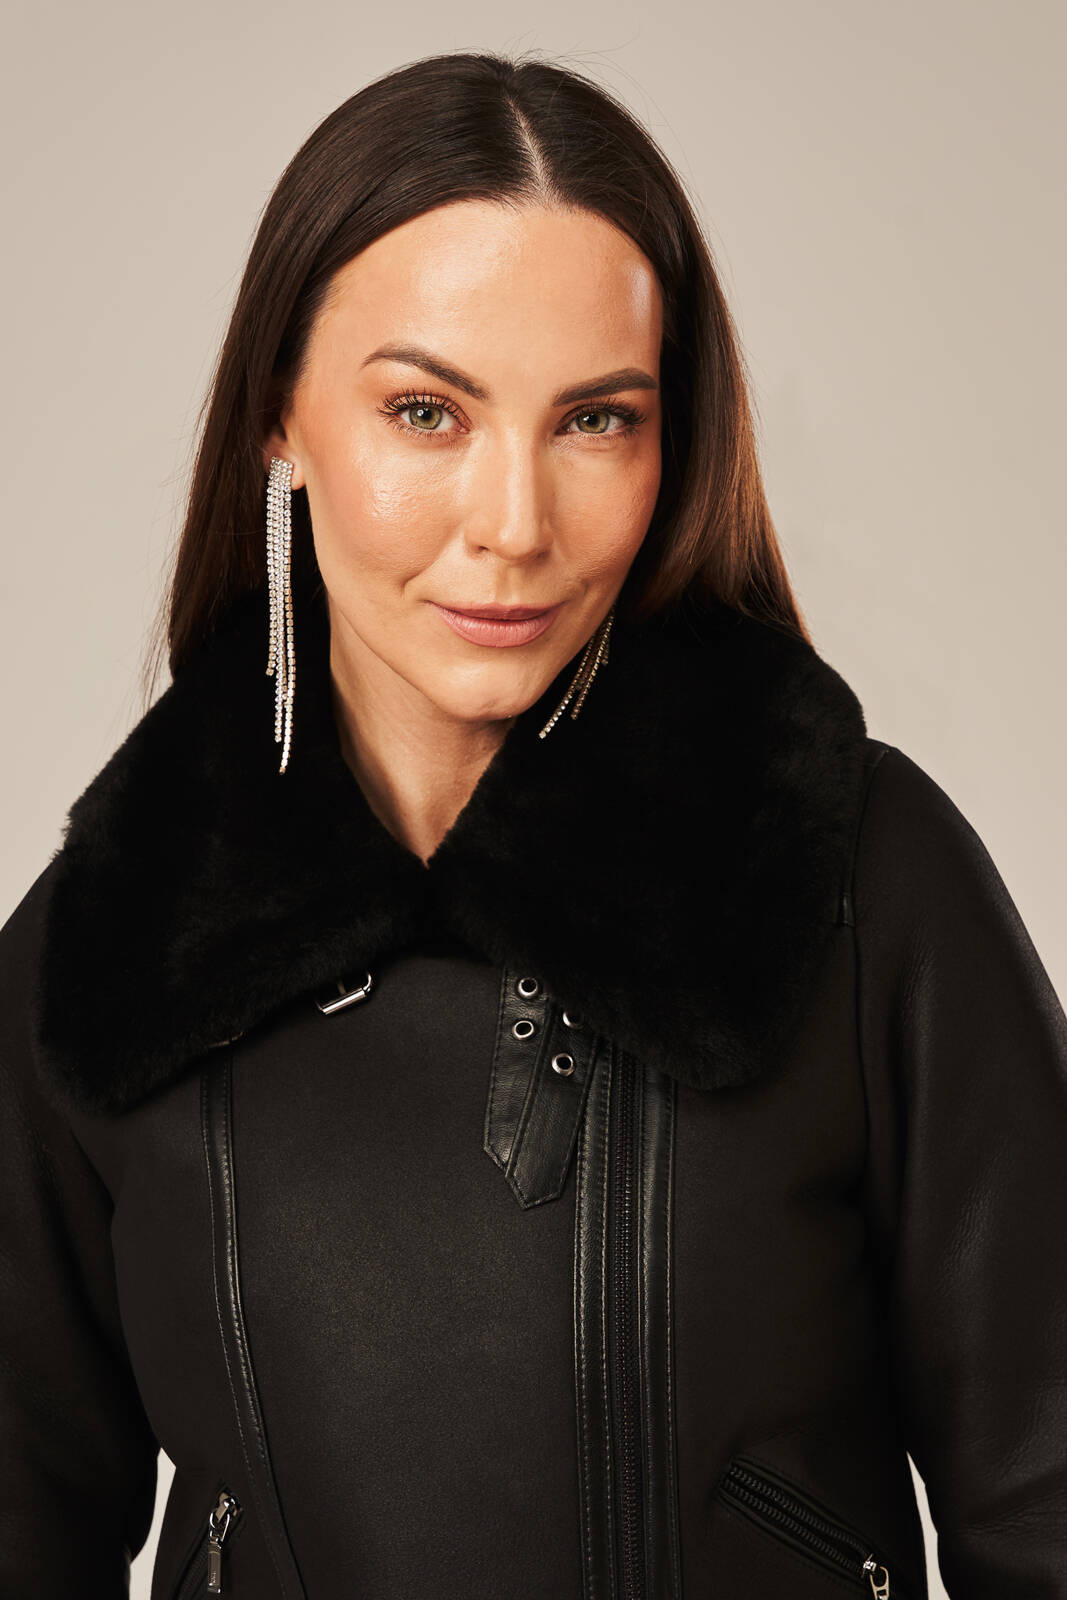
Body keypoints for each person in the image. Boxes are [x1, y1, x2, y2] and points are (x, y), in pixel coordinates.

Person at [1, 48, 1065, 1600]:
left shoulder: (853, 880)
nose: (514, 523)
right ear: (280, 423)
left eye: (596, 421)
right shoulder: (115, 941)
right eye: (426, 411)